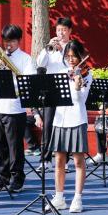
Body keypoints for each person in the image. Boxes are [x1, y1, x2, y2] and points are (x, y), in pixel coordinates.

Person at [47, 40, 93, 213]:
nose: (71, 59)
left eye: (74, 56)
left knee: (78, 161)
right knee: (59, 160)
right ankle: (59, 197)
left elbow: (81, 100)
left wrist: (77, 85)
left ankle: (77, 198)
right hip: (60, 120)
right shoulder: (61, 72)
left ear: (81, 56)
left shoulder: (87, 74)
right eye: (68, 56)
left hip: (77, 119)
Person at [0, 24, 34, 193]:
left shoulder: (26, 59)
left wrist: (12, 77)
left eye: (12, 41)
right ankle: (2, 177)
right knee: (0, 145)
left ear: (19, 41)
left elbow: (27, 83)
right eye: (6, 41)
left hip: (15, 109)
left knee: (15, 147)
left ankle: (17, 178)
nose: (8, 45)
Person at [34, 17, 74, 165]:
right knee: (48, 124)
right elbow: (40, 64)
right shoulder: (50, 47)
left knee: (66, 125)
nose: (61, 33)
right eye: (58, 30)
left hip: (67, 89)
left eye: (64, 30)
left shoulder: (73, 47)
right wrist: (47, 48)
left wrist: (63, 51)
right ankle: (45, 159)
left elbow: (73, 66)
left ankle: (66, 160)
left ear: (69, 31)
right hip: (51, 89)